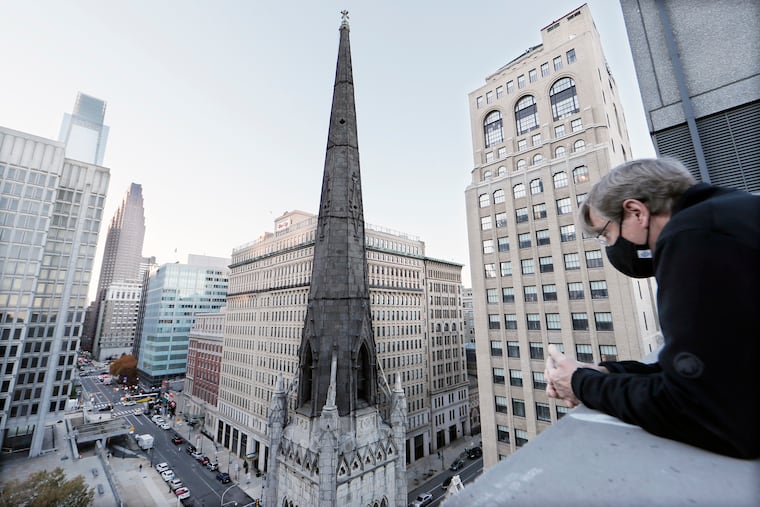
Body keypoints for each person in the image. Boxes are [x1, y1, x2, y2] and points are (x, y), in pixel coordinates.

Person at [545, 157, 760, 459]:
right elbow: (709, 366)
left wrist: (581, 385)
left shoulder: (692, 238)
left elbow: (702, 410)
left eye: (606, 235)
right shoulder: (731, 213)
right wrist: (605, 372)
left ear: (636, 211)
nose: (610, 247)